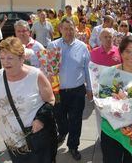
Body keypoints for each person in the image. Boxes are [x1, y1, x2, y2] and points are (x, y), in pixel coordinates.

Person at [0, 37, 57, 163]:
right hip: (11, 140)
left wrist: (41, 119)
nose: (5, 62)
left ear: (21, 58)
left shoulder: (36, 75)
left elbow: (51, 99)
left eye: (10, 58)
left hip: (36, 139)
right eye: (2, 58)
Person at [100, 35, 132, 163]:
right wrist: (119, 123)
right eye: (127, 51)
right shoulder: (109, 73)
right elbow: (102, 103)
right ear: (121, 53)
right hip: (113, 131)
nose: (131, 55)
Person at [47, 18, 92, 161]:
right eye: (65, 28)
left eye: (71, 28)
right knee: (59, 117)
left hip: (77, 91)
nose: (68, 31)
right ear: (60, 29)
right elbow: (47, 68)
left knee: (76, 120)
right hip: (57, 91)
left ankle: (73, 146)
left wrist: (90, 88)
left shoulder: (83, 47)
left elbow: (88, 69)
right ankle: (63, 131)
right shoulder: (52, 46)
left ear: (75, 29)